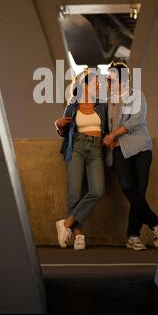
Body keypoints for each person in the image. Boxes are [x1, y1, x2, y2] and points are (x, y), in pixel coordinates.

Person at [103, 62, 158, 251]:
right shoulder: (109, 100)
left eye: (110, 77)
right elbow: (107, 124)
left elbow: (136, 120)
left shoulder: (136, 95)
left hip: (141, 148)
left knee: (139, 190)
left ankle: (133, 235)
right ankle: (156, 224)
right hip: (120, 149)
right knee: (128, 188)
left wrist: (113, 135)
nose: (107, 80)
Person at [54, 70, 107, 250]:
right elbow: (64, 132)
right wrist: (58, 126)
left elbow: (108, 127)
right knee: (75, 193)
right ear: (85, 85)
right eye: (95, 83)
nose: (99, 85)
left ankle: (65, 224)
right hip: (76, 147)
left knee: (97, 190)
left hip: (96, 149)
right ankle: (78, 236)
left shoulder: (102, 105)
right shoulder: (72, 106)